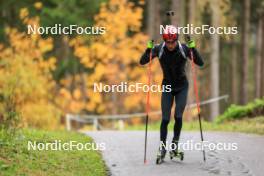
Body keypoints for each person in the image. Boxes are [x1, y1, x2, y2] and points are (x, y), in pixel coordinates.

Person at [139, 25, 204, 161]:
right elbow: (142, 61)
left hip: (181, 87)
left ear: (176, 39)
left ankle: (174, 145)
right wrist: (148, 49)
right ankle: (162, 147)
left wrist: (193, 49)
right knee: (165, 119)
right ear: (164, 40)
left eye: (172, 42)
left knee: (178, 116)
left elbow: (200, 63)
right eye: (167, 42)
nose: (170, 45)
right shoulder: (159, 49)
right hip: (167, 86)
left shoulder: (184, 48)